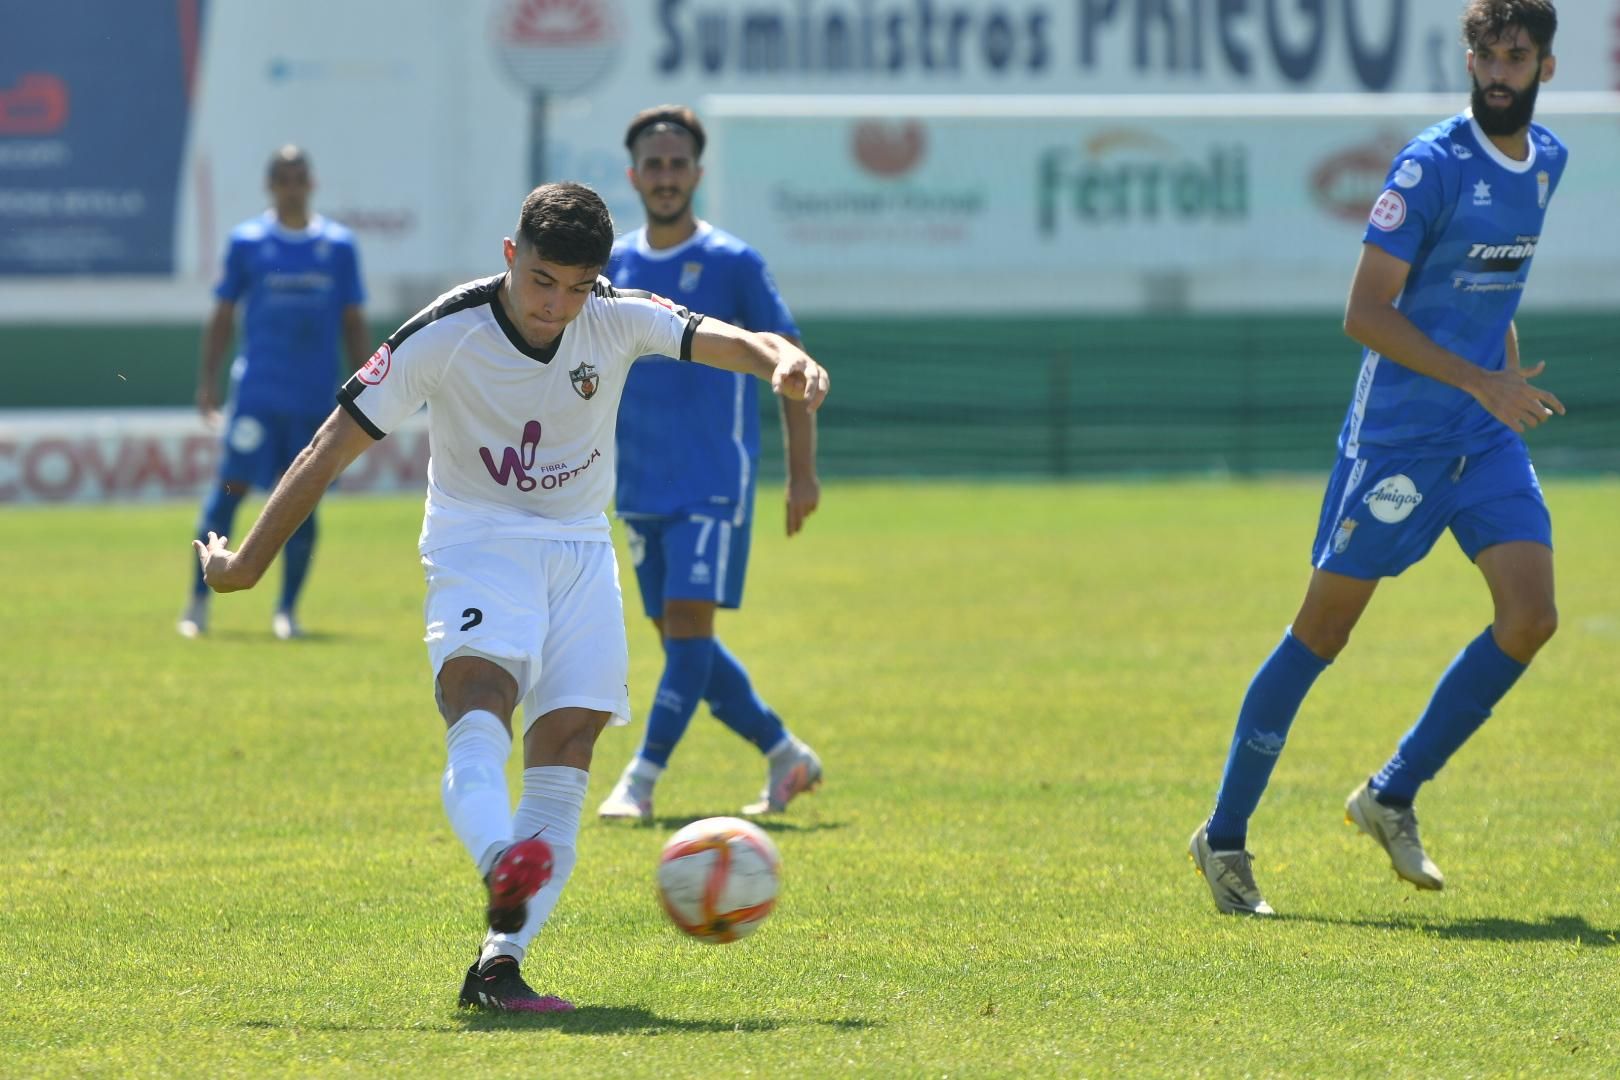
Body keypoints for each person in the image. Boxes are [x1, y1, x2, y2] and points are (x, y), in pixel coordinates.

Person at [194, 182, 829, 1010]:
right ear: (510, 255)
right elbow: (328, 445)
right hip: (476, 541)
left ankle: (500, 965)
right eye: (542, 281)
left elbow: (723, 341)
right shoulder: (445, 332)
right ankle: (502, 859)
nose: (557, 306)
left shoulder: (615, 313)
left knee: (567, 752)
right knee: (483, 699)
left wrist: (780, 355)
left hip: (578, 549)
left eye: (575, 287)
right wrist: (245, 564)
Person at [1189, 0, 1566, 916]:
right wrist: (1481, 383)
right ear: (1469, 62)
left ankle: (1390, 794)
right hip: (1397, 438)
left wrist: (1500, 368)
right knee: (1323, 632)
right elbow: (1365, 314)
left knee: (1530, 618)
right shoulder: (1428, 166)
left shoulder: (1546, 161)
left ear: (1544, 67)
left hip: (1481, 434)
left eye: (1516, 57)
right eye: (1486, 56)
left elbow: (1488, 281)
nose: (1499, 74)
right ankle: (1224, 839)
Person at [596, 105, 824, 823]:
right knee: (683, 645)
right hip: (637, 484)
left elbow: (788, 365)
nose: (665, 177)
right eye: (653, 165)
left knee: (688, 636)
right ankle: (786, 752)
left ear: (698, 172)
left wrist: (801, 471)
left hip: (711, 481)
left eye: (677, 164)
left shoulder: (734, 263)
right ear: (634, 176)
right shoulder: (612, 268)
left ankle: (640, 779)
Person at [179, 145, 369, 640]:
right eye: (283, 178)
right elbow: (222, 315)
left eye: (299, 177)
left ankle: (286, 611)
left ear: (312, 183)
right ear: (271, 185)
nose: (292, 186)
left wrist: (371, 388)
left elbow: (353, 323)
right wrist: (207, 381)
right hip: (257, 397)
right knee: (227, 493)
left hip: (313, 402)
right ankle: (197, 603)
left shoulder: (339, 247)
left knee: (303, 501)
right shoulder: (247, 243)